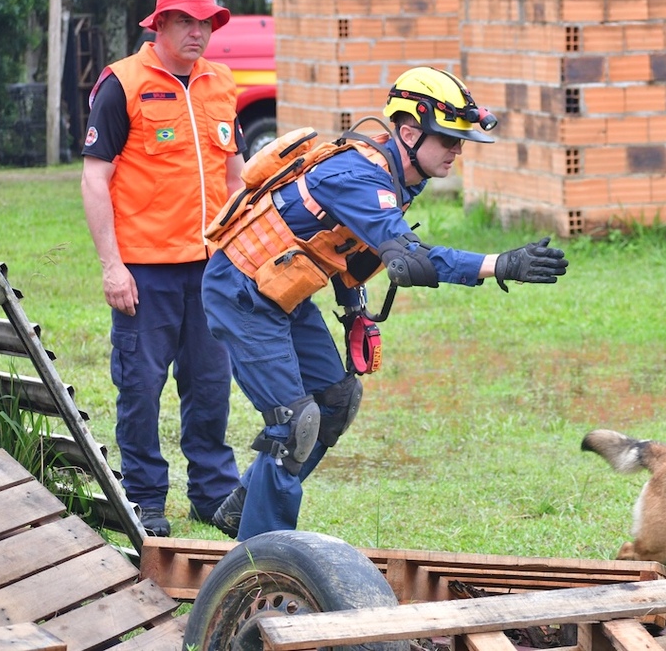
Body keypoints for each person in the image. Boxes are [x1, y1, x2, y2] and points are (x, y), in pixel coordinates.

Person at [202, 66, 569, 540]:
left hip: (279, 291)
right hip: (241, 292)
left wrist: (354, 308)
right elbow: (409, 262)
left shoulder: (396, 175)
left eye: (460, 142)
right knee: (294, 425)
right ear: (411, 132)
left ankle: (243, 506)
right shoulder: (358, 175)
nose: (457, 152)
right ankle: (261, 559)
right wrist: (499, 263)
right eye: (449, 141)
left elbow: (340, 246)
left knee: (336, 400)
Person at [80, 0, 245, 537]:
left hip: (211, 268)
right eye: (185, 21)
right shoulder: (121, 84)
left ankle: (213, 493)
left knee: (209, 385)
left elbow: (234, 174)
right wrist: (112, 267)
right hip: (144, 271)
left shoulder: (221, 83)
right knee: (141, 386)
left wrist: (241, 251)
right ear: (160, 24)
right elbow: (95, 178)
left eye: (205, 23)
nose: (197, 33)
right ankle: (145, 497)